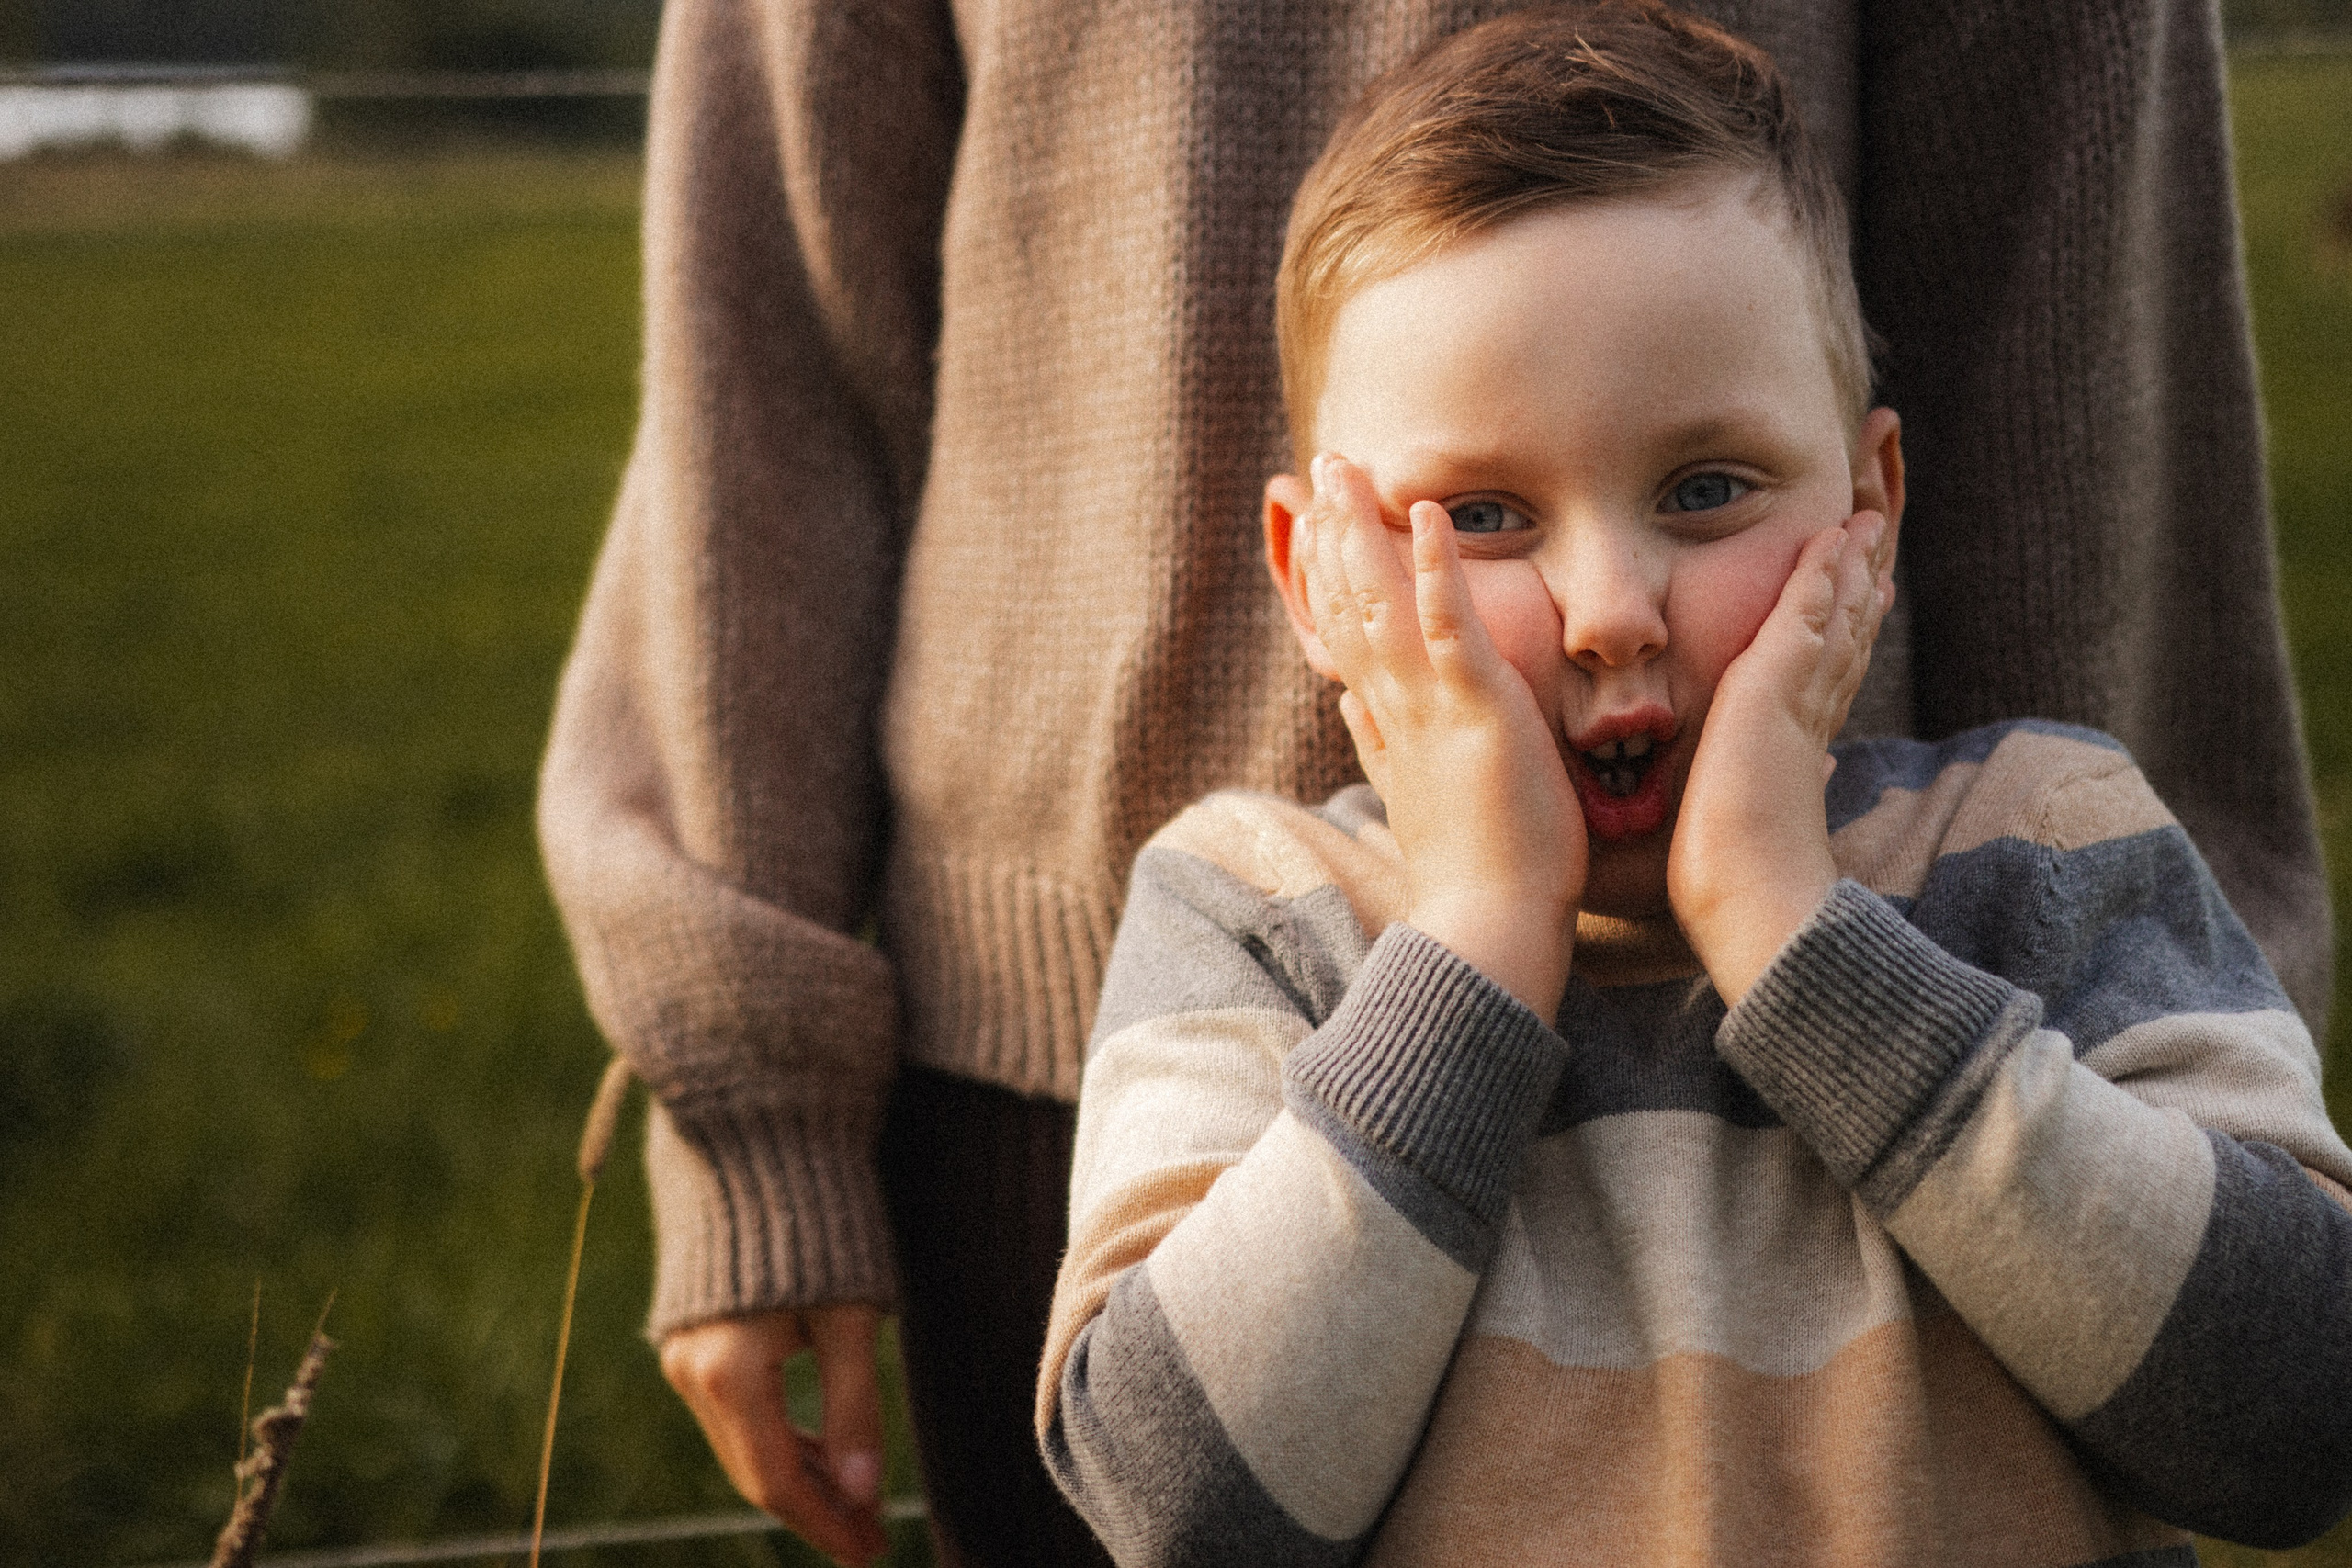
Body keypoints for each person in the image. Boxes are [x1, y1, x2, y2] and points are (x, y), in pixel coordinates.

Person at [535, 0, 2335, 1562]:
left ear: (1867, 496)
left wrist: (1798, 935)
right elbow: (1178, 1508)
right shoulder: (1245, 926)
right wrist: (1474, 934)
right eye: (1478, 515)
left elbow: (2289, 1419)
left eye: (1706, 487)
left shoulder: (2042, 860)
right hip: (1078, 1062)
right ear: (1312, 568)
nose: (1607, 611)